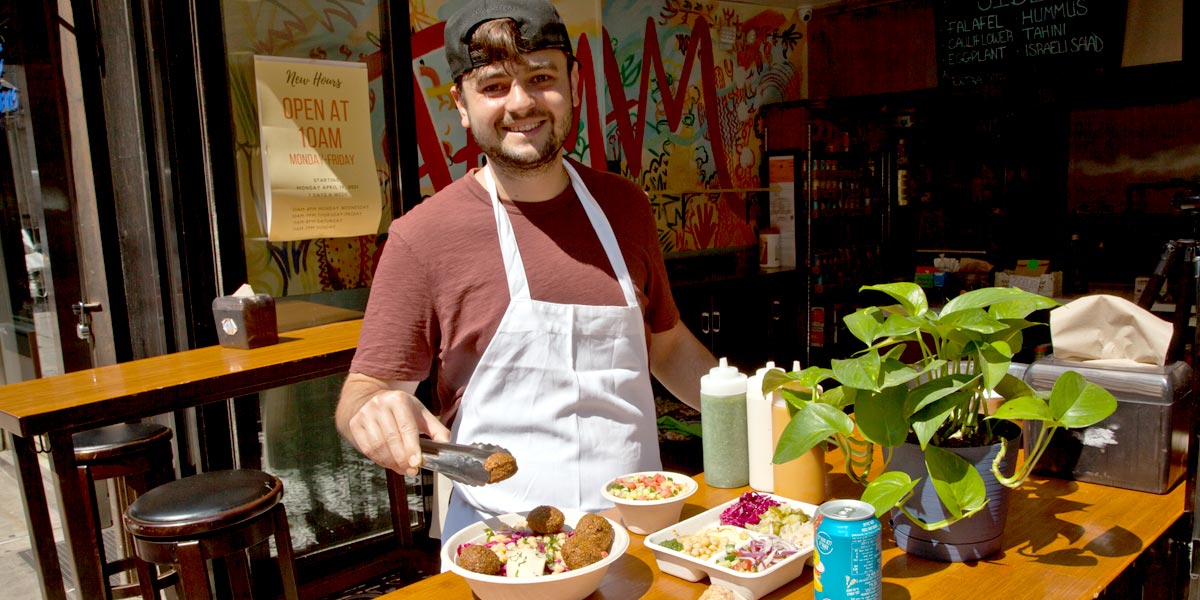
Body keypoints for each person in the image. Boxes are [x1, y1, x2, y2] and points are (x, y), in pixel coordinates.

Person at [334, 0, 716, 544]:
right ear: (460, 104)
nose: (521, 103)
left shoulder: (626, 207)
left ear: (575, 84)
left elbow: (667, 346)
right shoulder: (423, 237)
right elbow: (363, 393)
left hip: (639, 533)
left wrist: (754, 405)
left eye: (541, 77)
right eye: (493, 86)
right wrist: (373, 415)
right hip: (501, 545)